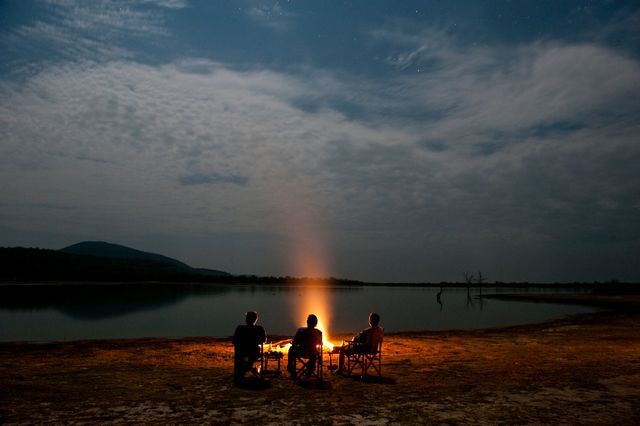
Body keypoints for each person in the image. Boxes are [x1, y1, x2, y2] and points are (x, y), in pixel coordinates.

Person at [232, 310, 267, 382]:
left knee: (241, 358)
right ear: (255, 319)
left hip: (241, 352)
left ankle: (244, 369)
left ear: (246, 319)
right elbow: (264, 340)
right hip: (254, 352)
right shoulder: (259, 328)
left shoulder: (240, 328)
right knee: (257, 352)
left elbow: (234, 341)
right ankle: (248, 367)